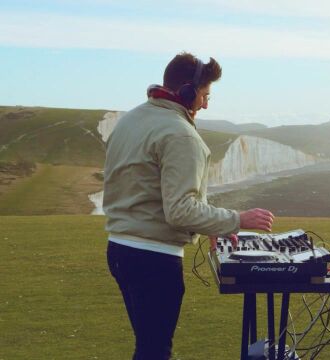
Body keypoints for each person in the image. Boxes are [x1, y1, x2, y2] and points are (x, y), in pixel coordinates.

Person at [103, 52, 274, 359]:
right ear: (186, 91)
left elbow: (149, 188)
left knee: (148, 345)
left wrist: (212, 225)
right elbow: (180, 210)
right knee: (156, 350)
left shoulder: (131, 120)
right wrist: (237, 219)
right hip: (153, 258)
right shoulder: (181, 135)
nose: (206, 104)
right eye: (205, 95)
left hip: (119, 250)